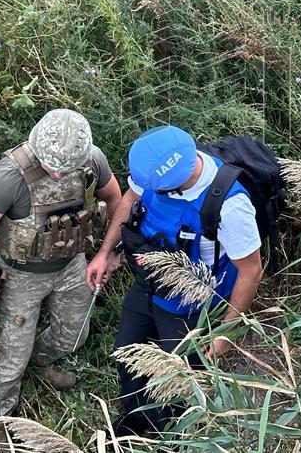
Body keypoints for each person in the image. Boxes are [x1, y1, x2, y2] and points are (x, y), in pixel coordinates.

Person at [0, 109, 125, 446]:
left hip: (72, 265)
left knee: (75, 334)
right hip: (20, 277)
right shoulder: (11, 176)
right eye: (53, 168)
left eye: (67, 169)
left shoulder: (91, 160)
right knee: (10, 359)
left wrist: (108, 252)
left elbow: (115, 199)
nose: (60, 175)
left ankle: (39, 362)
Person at [105, 125, 264, 437]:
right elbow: (129, 198)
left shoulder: (230, 207)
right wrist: (106, 252)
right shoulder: (155, 170)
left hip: (192, 301)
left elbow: (251, 271)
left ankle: (174, 434)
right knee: (126, 351)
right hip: (149, 281)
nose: (142, 189)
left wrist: (225, 332)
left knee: (181, 376)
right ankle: (135, 422)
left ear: (170, 185)